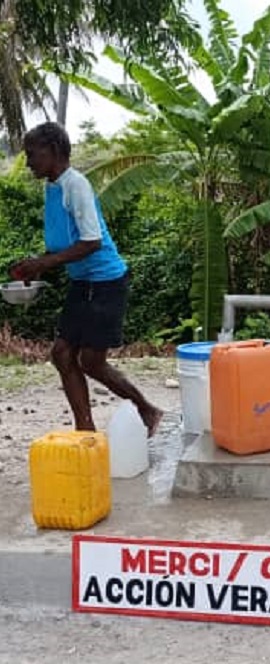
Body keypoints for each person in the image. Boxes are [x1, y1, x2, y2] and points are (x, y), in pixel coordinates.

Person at [11, 122, 163, 437]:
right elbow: (65, 239)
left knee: (92, 361)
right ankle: (86, 431)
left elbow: (91, 241)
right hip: (83, 283)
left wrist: (45, 262)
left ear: (53, 151)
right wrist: (37, 265)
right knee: (62, 354)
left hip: (105, 281)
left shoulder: (75, 185)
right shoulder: (52, 187)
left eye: (32, 154)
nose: (28, 162)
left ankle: (146, 409)